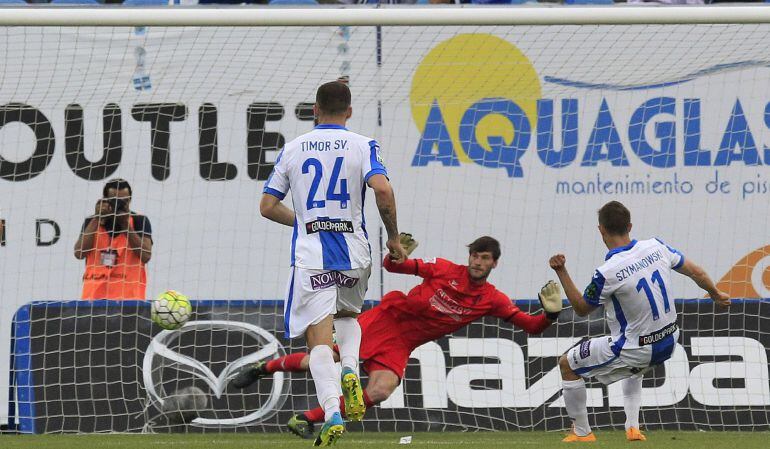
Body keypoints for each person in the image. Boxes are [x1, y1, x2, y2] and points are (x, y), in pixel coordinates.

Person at [231, 235, 563, 440]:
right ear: (470, 257)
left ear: (494, 263)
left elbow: (531, 327)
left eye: (485, 258)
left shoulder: (492, 299)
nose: (478, 262)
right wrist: (397, 254)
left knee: (380, 390)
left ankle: (307, 419)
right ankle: (265, 367)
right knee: (325, 357)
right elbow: (394, 267)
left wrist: (550, 314)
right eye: (475, 256)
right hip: (386, 319)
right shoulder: (444, 268)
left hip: (403, 343)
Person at [259, 80, 407, 447]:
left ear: (314, 109)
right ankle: (351, 371)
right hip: (355, 253)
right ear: (350, 112)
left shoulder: (293, 149)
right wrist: (392, 235)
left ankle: (332, 412)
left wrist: (307, 221)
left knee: (318, 340)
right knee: (348, 319)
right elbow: (383, 190)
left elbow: (266, 206)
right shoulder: (363, 145)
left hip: (312, 258)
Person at [549, 200, 730, 442]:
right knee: (634, 367)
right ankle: (633, 428)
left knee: (567, 364)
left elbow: (582, 309)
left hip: (636, 349)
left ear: (601, 229)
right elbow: (695, 272)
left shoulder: (607, 271)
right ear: (630, 226)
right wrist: (716, 294)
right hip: (669, 341)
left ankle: (582, 433)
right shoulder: (656, 246)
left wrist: (561, 270)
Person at [74, 178, 153, 300]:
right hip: (94, 300)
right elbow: (79, 253)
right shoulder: (92, 222)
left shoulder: (139, 221)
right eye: (114, 202)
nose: (119, 206)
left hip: (129, 302)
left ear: (130, 200)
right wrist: (97, 218)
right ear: (105, 200)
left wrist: (126, 225)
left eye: (124, 202)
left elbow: (146, 255)